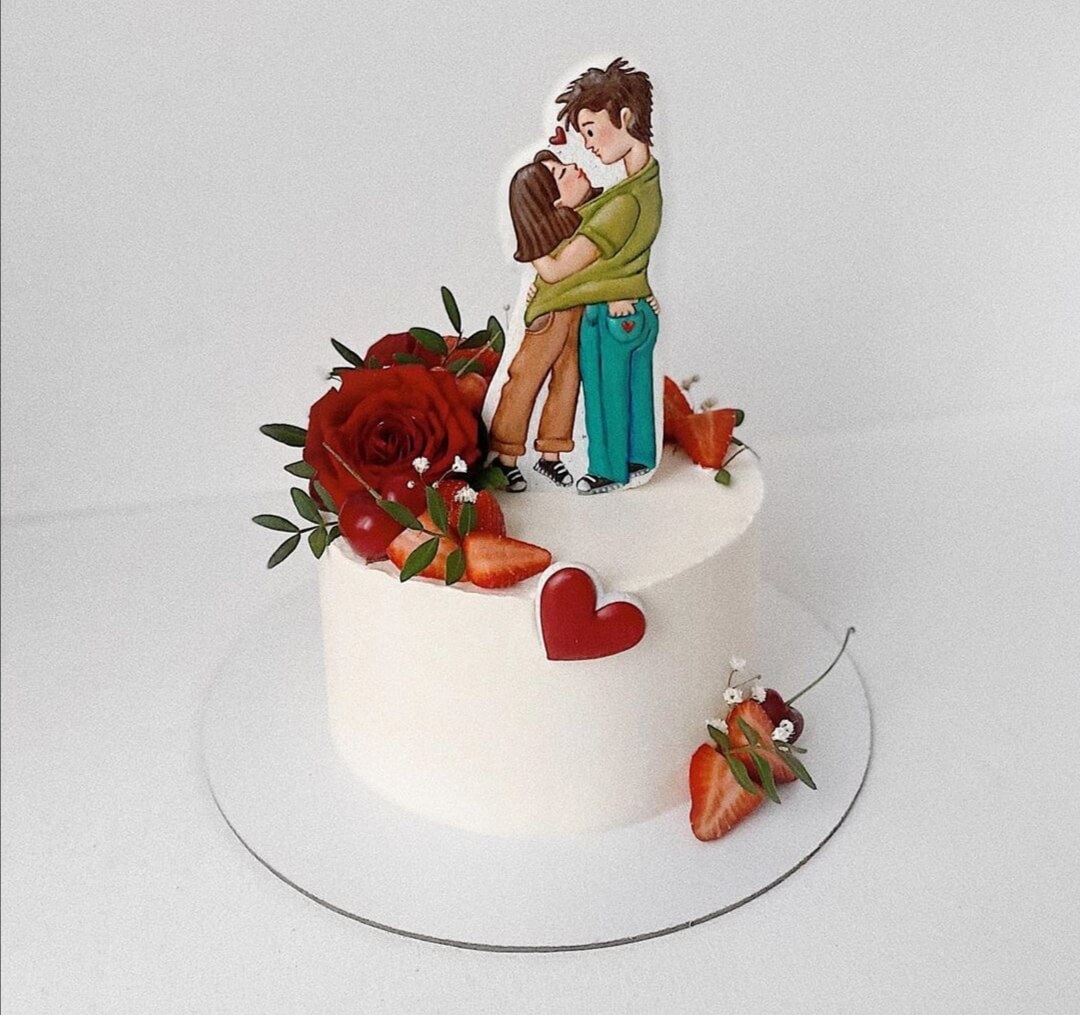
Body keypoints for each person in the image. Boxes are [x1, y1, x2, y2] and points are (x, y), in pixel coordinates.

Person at [529, 57, 663, 494]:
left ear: (625, 118)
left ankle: (607, 469)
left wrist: (530, 244)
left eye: (590, 130)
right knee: (636, 391)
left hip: (610, 318)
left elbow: (562, 268)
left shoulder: (622, 204)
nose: (586, 144)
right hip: (637, 312)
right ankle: (640, 456)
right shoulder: (645, 185)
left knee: (605, 394)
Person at [488, 151, 602, 492]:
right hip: (549, 315)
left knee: (568, 380)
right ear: (548, 201)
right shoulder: (544, 237)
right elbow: (552, 273)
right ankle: (506, 456)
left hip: (577, 312)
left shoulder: (588, 219)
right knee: (525, 380)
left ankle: (551, 454)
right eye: (561, 174)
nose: (574, 167)